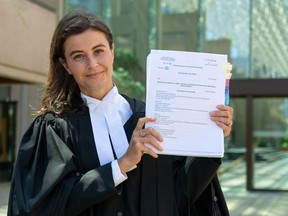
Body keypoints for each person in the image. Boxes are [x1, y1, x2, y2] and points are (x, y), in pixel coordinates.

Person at [8, 10, 233, 216]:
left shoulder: (153, 116)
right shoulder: (54, 129)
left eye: (99, 51)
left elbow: (182, 192)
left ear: (112, 52)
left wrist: (211, 137)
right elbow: (46, 206)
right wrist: (122, 164)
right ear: (65, 65)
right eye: (78, 56)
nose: (92, 64)